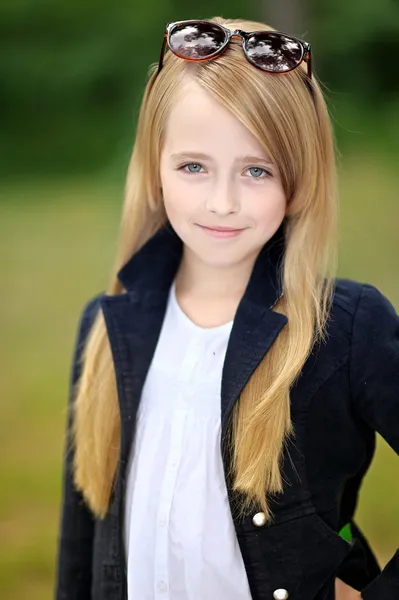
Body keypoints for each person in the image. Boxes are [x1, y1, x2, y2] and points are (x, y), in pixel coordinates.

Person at [54, 16, 399, 600]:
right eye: (193, 166)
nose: (222, 202)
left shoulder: (346, 327)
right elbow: (81, 543)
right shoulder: (108, 324)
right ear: (155, 166)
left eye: (257, 170)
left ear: (301, 177)